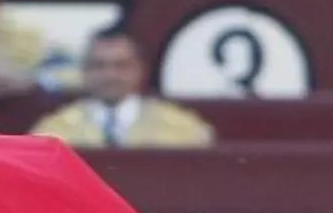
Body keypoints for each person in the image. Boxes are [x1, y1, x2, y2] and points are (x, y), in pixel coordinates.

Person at [30, 24, 214, 149]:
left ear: (140, 69)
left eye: (121, 65)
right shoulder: (53, 130)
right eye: (98, 65)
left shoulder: (183, 128)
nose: (110, 75)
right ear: (84, 71)